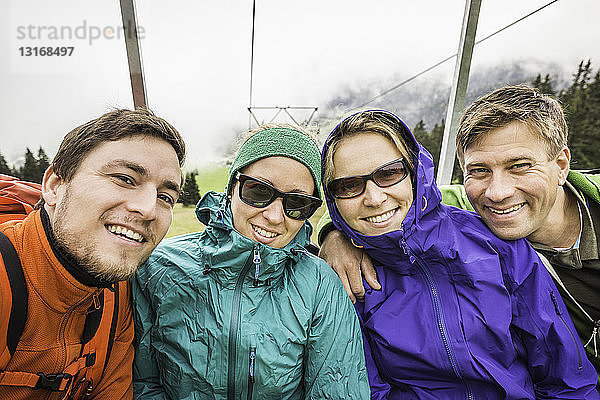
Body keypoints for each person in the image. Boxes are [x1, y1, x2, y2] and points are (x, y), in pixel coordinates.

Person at [318, 85, 600, 385]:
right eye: (479, 170)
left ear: (561, 166)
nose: (498, 192)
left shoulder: (502, 250)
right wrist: (334, 233)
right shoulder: (462, 213)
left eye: (519, 166)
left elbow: (565, 377)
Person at [132, 124, 369, 399]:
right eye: (258, 192)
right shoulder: (160, 267)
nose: (275, 216)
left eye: (297, 204)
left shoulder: (319, 285)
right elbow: (142, 382)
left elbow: (337, 390)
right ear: (232, 187)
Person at [0, 108, 186, 400]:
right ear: (55, 186)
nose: (149, 209)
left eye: (165, 197)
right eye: (125, 179)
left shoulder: (116, 292)